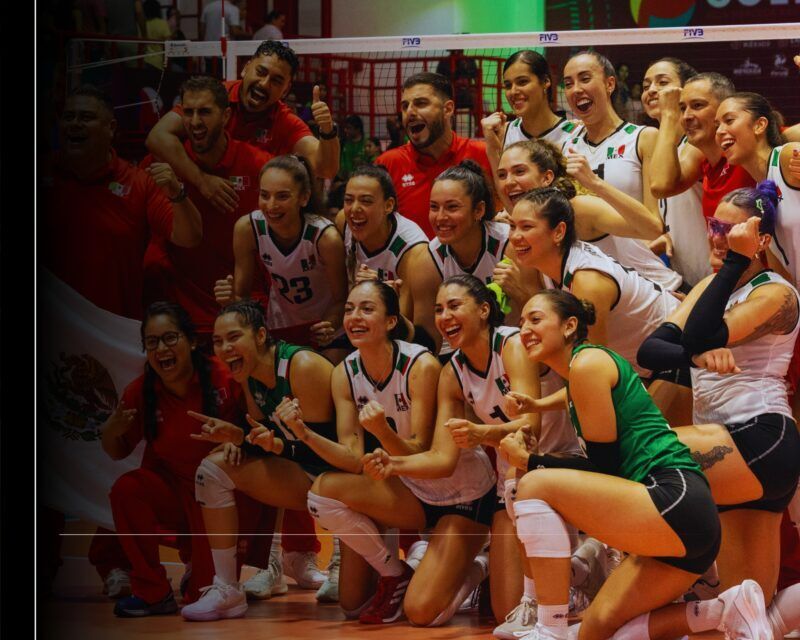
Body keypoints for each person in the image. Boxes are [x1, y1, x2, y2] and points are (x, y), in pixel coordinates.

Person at [498, 288, 770, 640]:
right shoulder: (583, 370)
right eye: (521, 323)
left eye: (536, 319)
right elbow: (583, 419)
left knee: (532, 484)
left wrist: (531, 460)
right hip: (681, 516)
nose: (525, 330)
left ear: (569, 326)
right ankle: (723, 611)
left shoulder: (587, 364)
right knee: (595, 631)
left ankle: (546, 628)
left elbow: (607, 470)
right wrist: (534, 410)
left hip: (671, 498)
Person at [637, 183, 800, 639]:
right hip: (729, 446)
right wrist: (694, 357)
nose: (716, 236)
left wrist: (734, 262)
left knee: (640, 456)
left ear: (759, 239)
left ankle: (558, 608)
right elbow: (653, 351)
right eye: (714, 225)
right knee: (746, 608)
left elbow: (701, 335)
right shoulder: (711, 286)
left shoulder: (776, 295)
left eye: (729, 229)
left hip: (759, 437)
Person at [308, 280, 498, 627]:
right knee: (323, 497)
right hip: (411, 490)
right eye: (349, 309)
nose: (354, 317)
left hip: (464, 493)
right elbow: (352, 458)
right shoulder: (344, 373)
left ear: (391, 321)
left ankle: (477, 568)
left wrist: (382, 433)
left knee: (423, 613)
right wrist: (303, 435)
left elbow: (424, 450)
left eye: (367, 309)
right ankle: (394, 572)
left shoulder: (421, 365)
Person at [430, 275, 584, 635]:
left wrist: (483, 433)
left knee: (524, 488)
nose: (444, 316)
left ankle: (565, 584)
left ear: (484, 311)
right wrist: (390, 460)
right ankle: (569, 576)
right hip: (512, 479)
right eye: (438, 309)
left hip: (558, 459)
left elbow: (529, 427)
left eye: (454, 306)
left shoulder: (512, 344)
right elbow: (442, 456)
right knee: (503, 611)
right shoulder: (451, 370)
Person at [180, 300, 341, 621]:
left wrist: (265, 443)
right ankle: (227, 588)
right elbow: (270, 442)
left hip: (347, 479)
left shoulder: (303, 365)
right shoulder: (249, 375)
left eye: (233, 337)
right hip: (307, 476)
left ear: (261, 335)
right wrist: (239, 436)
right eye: (217, 341)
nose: (225, 348)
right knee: (213, 469)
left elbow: (331, 454)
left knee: (353, 602)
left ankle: (343, 560)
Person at [101, 302, 244, 617]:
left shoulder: (224, 378)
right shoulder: (140, 391)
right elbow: (117, 451)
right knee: (126, 489)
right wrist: (109, 432)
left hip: (216, 500)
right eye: (152, 342)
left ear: (191, 341)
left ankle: (202, 568)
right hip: (172, 495)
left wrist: (235, 437)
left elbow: (250, 439)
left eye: (169, 338)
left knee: (201, 599)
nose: (161, 349)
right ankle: (152, 591)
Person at [41, 84, 202, 321]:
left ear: (111, 128)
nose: (75, 124)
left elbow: (189, 237)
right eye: (68, 117)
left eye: (86, 117)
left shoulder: (139, 183)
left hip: (111, 333)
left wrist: (176, 192)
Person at [146, 40, 340, 216]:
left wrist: (328, 131)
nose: (264, 84)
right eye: (261, 72)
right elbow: (157, 136)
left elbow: (326, 169)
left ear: (286, 90)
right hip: (189, 206)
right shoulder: (214, 98)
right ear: (246, 68)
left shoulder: (285, 121)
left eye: (276, 80)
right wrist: (202, 180)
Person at [141, 75, 272, 338]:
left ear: (225, 116)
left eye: (204, 112)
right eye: (188, 112)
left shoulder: (259, 165)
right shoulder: (163, 167)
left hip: (242, 310)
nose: (195, 122)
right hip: (179, 318)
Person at [507, 186, 680, 378]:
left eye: (526, 227)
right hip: (646, 363)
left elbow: (596, 370)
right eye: (512, 226)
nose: (515, 236)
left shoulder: (587, 281)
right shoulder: (549, 266)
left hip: (679, 347)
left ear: (558, 232)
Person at [495, 139, 679, 293]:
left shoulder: (578, 208)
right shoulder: (523, 230)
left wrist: (594, 182)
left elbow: (653, 229)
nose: (509, 182)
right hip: (622, 319)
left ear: (547, 178)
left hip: (669, 297)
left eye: (519, 171)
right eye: (502, 175)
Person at [216, 154, 348, 359]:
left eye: (282, 196)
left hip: (328, 328)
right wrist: (230, 299)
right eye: (264, 195)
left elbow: (341, 299)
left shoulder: (325, 237)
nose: (271, 205)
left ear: (304, 197)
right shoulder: (247, 228)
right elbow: (242, 296)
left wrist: (328, 326)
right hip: (282, 326)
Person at [376, 72, 494, 238]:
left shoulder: (484, 154)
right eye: (404, 106)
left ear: (448, 109)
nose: (409, 112)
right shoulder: (388, 164)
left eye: (421, 103)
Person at [335, 164, 434, 348]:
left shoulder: (412, 250)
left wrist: (380, 293)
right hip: (362, 327)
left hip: (409, 342)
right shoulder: (344, 221)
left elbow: (404, 330)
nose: (354, 209)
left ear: (388, 205)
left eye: (366, 201)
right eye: (349, 200)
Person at [640, 58, 712, 288]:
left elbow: (663, 184)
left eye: (662, 82)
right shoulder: (665, 147)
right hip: (688, 280)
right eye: (645, 85)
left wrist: (671, 115)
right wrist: (669, 234)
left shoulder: (699, 143)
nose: (651, 90)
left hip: (718, 278)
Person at [648, 72, 755, 221]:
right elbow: (660, 187)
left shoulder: (749, 146)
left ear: (724, 108)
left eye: (697, 105)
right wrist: (668, 115)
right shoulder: (704, 160)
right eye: (682, 108)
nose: (686, 116)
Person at [481, 50, 579, 185]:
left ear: (545, 82)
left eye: (522, 82)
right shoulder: (502, 134)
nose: (513, 92)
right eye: (508, 85)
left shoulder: (574, 133)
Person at [339, 114, 369, 179]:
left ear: (358, 129)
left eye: (349, 128)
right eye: (345, 128)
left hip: (364, 179)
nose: (345, 130)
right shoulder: (342, 143)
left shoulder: (368, 143)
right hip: (345, 180)